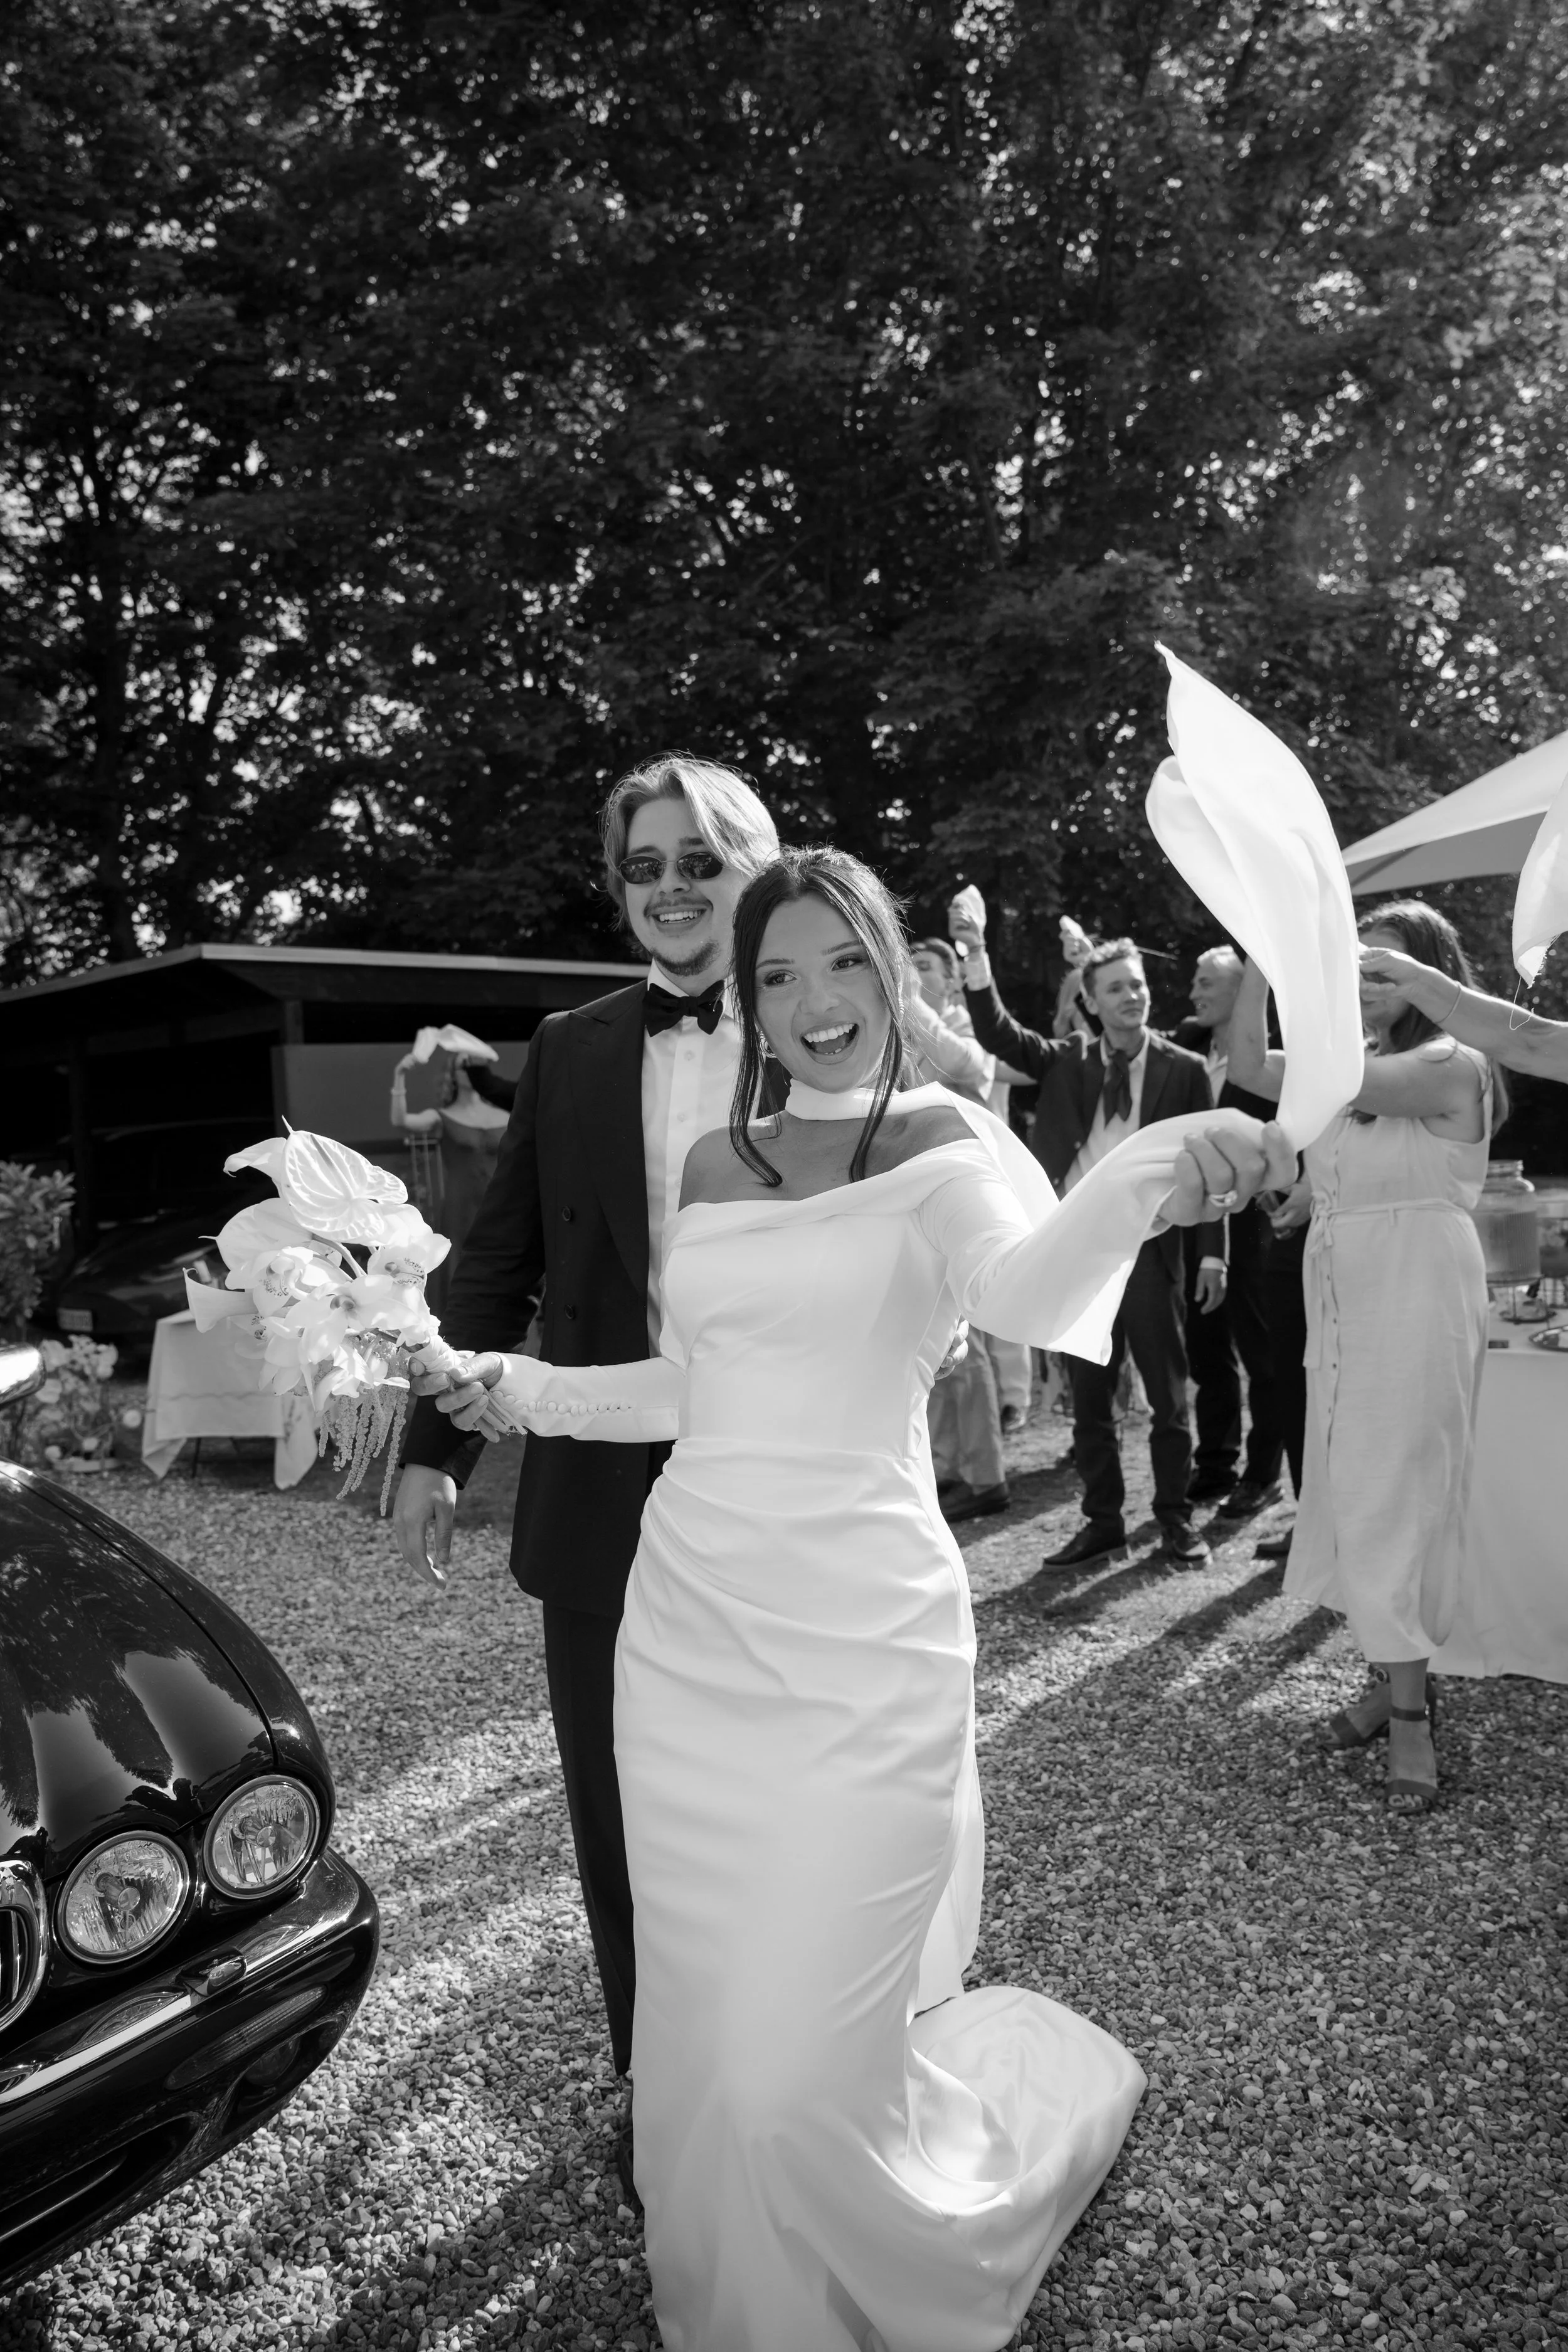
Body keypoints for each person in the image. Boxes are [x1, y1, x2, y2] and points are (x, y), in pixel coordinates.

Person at [416, 845, 1288, 2352]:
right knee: (705, 2004)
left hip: (863, 1628)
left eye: (843, 963)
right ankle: (741, 2289)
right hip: (687, 1632)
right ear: (750, 1000)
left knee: (792, 2055)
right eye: (777, 973)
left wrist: (1152, 1165)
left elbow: (1021, 1295)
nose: (813, 999)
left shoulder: (946, 1139)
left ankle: (903, 2248)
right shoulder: (716, 1164)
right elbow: (697, 1383)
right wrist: (514, 1386)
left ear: (897, 973)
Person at [391, 753, 781, 2202]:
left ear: (752, 863)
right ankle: (664, 2099)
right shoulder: (569, 1045)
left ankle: (797, 2084)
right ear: (618, 887)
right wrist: (439, 1444)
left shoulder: (824, 1027)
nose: (674, 889)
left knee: (782, 1807)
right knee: (622, 1827)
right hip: (601, 1507)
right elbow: (499, 1261)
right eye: (646, 865)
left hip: (783, 1489)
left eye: (701, 857)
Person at [1229, 899, 1508, 1808]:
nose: (1364, 989)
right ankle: (1391, 1684)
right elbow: (1244, 1067)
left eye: (1382, 971)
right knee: (1356, 1492)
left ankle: (1413, 1717)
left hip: (1420, 1291)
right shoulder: (1354, 1078)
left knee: (1404, 1494)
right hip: (1344, 1299)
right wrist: (1265, 965)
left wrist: (1313, 995)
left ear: (1428, 972)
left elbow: (1338, 1082)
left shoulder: (1451, 1061)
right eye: (1357, 974)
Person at [949, 906, 1226, 1569]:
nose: (1132, 996)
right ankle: (1101, 1522)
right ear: (1092, 1003)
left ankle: (1174, 1522)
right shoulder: (1067, 1059)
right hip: (1079, 1247)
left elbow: (1209, 1160)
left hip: (1153, 1249)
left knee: (1167, 1396)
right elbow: (996, 1032)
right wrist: (975, 954)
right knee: (1091, 1402)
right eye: (1116, 989)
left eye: (1137, 985)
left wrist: (1213, 1250)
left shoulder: (1183, 1068)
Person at [1176, 946, 1288, 1517]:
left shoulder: (1270, 1063)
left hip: (1252, 1225)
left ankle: (1264, 1472)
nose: (1195, 992)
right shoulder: (1186, 1050)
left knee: (1261, 1351)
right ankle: (1216, 1462)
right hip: (1199, 1225)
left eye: (1206, 981)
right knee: (1207, 1349)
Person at [911, 937, 1036, 1446]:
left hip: (980, 1183)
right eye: (909, 966)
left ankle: (1012, 1403)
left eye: (924, 967)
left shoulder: (964, 1028)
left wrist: (902, 989)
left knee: (994, 1298)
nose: (914, 974)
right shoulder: (905, 1028)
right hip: (924, 1184)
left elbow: (959, 1061)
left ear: (951, 981)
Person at [389, 1047, 512, 1313]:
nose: (469, 1069)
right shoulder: (442, 1116)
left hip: (503, 1205)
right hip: (462, 1208)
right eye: (463, 1064)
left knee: (508, 1267)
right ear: (453, 1075)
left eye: (474, 1064)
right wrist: (400, 1075)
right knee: (457, 1266)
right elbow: (401, 1120)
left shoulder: (508, 1114)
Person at [1357, 940, 1568, 1079]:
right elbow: (1534, 1041)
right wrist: (1418, 983)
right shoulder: (1367, 1050)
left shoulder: (1453, 1061)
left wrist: (1420, 984)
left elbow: (1534, 1043)